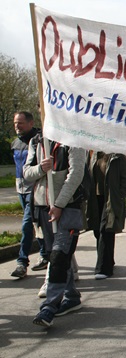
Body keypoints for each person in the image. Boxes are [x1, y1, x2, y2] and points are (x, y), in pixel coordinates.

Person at [23, 133, 86, 327]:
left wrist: (59, 204)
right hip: (43, 207)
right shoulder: (37, 141)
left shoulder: (75, 139)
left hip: (68, 208)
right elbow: (26, 173)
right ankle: (72, 296)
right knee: (55, 257)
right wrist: (41, 168)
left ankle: (49, 307)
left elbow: (76, 174)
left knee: (60, 256)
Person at [10, 111, 47, 278]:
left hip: (34, 189)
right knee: (35, 224)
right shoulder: (15, 143)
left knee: (27, 224)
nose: (17, 126)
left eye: (20, 123)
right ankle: (46, 254)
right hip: (21, 190)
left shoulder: (39, 141)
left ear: (31, 123)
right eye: (15, 123)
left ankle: (21, 263)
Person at [87, 151, 126, 280]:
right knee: (97, 232)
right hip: (95, 199)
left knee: (106, 230)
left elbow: (125, 178)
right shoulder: (93, 154)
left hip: (110, 199)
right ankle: (108, 260)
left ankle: (104, 268)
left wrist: (119, 195)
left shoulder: (118, 156)